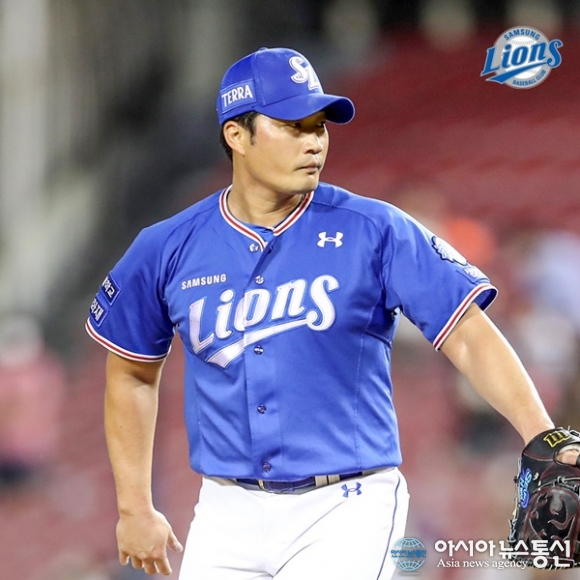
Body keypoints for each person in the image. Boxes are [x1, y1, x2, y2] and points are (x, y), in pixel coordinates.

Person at [85, 47, 574, 579]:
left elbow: (468, 334)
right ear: (237, 136)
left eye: (319, 125)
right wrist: (134, 507)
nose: (314, 141)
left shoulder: (376, 229)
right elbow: (131, 372)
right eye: (292, 126)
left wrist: (541, 434)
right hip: (225, 509)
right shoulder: (166, 247)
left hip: (346, 505)